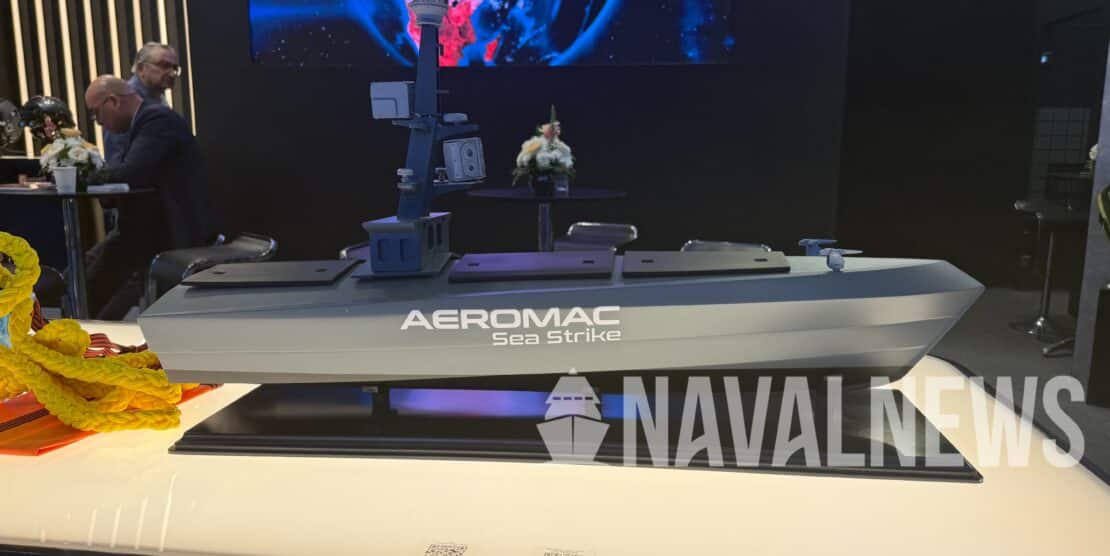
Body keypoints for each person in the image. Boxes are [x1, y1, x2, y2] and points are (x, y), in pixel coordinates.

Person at [83, 75, 214, 319]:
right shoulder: (143, 122)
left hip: (171, 230)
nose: (98, 122)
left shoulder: (157, 120)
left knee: (92, 276)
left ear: (113, 102)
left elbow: (131, 174)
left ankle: (81, 325)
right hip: (150, 228)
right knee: (87, 269)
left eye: (95, 113)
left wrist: (84, 176)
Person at [104, 43, 179, 164]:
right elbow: (116, 160)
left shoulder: (158, 97)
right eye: (164, 66)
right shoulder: (123, 100)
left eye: (175, 68)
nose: (172, 73)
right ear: (140, 68)